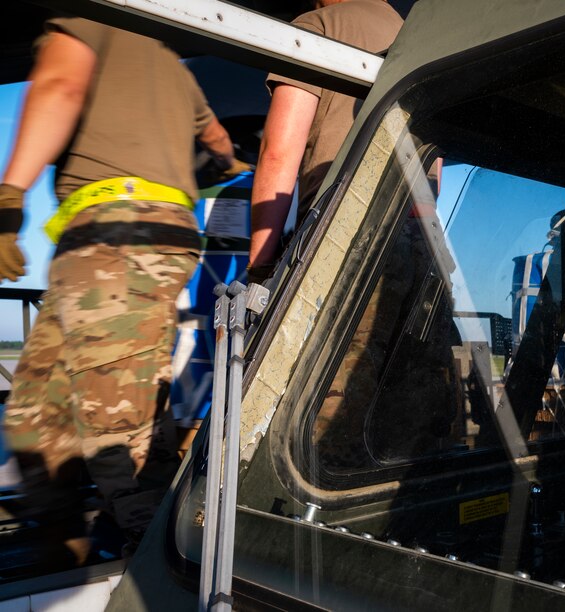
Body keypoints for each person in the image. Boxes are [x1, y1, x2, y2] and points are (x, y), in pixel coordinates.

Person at [0, 16, 247, 564]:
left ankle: (161, 562)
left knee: (116, 424)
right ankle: (66, 543)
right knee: (37, 411)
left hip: (118, 232)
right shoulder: (170, 63)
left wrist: (9, 196)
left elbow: (61, 86)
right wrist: (211, 166)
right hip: (141, 235)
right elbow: (221, 146)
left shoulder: (89, 17)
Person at [248, 0, 403, 282]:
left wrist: (259, 269)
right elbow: (434, 173)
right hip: (415, 237)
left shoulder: (318, 25)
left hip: (337, 233)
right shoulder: (411, 31)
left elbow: (278, 154)